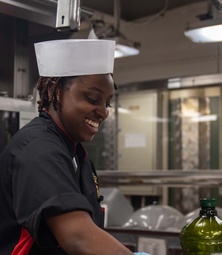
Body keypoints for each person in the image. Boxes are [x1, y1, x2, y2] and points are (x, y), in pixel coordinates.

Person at [0, 39, 140, 254]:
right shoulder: (38, 149)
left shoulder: (76, 154)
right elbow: (79, 237)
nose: (103, 112)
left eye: (107, 103)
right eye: (92, 99)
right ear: (56, 92)